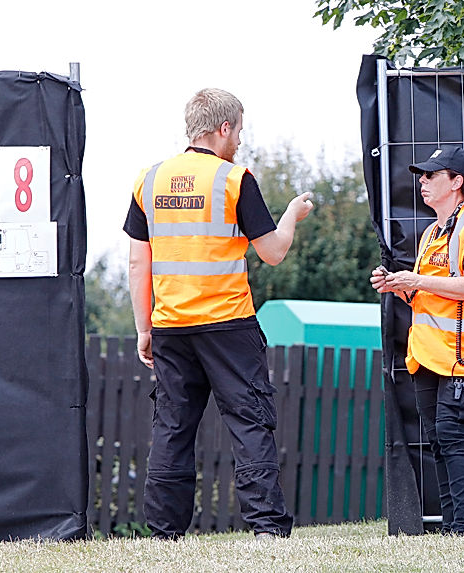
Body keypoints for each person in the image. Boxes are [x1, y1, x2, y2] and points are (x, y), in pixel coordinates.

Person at [124, 88, 314, 539]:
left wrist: (143, 329)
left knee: (172, 427)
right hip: (228, 324)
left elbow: (137, 262)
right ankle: (267, 529)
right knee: (249, 421)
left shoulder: (148, 180)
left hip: (171, 325)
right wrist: (291, 214)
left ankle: (164, 534)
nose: (241, 143)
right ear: (223, 128)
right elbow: (271, 252)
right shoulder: (234, 179)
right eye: (240, 132)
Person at [370, 146, 464, 535]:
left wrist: (416, 280)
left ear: (457, 183)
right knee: (438, 439)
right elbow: (429, 292)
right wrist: (397, 286)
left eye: (432, 175)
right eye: (422, 176)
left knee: (452, 435)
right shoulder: (431, 232)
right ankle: (451, 529)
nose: (422, 182)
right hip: (427, 355)